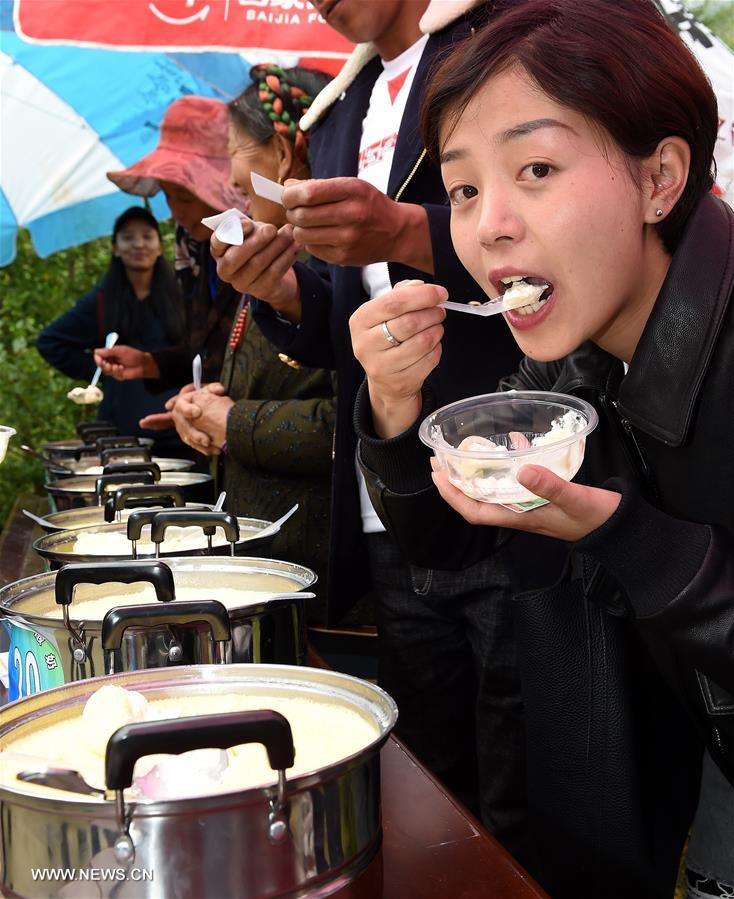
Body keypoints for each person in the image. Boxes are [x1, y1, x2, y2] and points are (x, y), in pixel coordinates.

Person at [347, 1, 734, 896]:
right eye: (466, 188)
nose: (488, 227)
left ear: (660, 178)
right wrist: (395, 404)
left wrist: (623, 537)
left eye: (536, 167)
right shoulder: (574, 370)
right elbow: (451, 546)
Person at [210, 0, 558, 865]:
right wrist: (284, 290)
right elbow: (344, 314)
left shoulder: (507, 42)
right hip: (386, 500)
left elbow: (560, 227)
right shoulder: (341, 108)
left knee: (532, 795)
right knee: (421, 784)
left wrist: (405, 228)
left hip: (506, 480)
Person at [168, 65, 337, 617]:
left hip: (321, 577)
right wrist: (207, 404)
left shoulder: (340, 267)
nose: (235, 190)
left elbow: (353, 426)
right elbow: (267, 385)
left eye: (238, 157)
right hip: (268, 560)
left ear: (283, 154)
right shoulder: (273, 255)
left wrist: (231, 421)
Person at [99, 96, 248, 394]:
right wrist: (148, 363)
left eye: (185, 197)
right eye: (168, 196)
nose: (176, 212)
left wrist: (231, 419)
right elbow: (204, 348)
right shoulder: (192, 249)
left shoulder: (258, 247)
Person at [37, 206, 185, 454]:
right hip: (121, 433)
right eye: (128, 237)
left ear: (160, 246)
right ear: (115, 247)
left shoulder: (182, 295)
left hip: (179, 429)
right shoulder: (102, 300)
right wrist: (103, 372)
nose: (139, 244)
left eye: (147, 236)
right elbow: (50, 342)